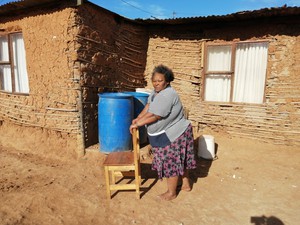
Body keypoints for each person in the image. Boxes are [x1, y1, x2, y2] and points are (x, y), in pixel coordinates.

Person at [129, 64, 197, 201]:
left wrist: (138, 123)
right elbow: (148, 106)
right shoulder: (155, 92)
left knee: (171, 162)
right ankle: (185, 184)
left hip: (175, 133)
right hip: (173, 131)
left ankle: (171, 193)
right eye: (154, 80)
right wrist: (138, 118)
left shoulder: (168, 95)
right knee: (180, 159)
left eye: (160, 81)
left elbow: (156, 116)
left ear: (167, 81)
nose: (156, 83)